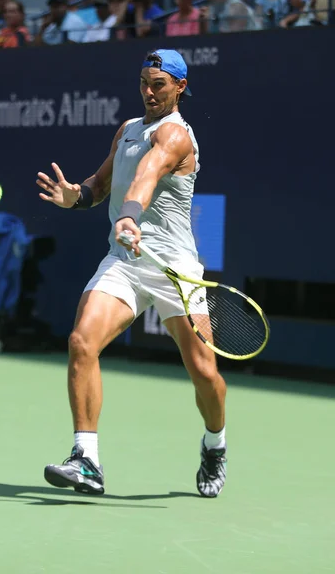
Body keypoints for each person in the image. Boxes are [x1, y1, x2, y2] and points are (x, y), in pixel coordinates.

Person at [36, 49, 228, 499]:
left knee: (204, 372)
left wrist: (128, 216)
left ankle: (215, 443)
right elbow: (102, 184)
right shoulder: (127, 130)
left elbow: (147, 175)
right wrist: (76, 196)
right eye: (144, 81)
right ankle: (87, 460)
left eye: (158, 84)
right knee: (82, 341)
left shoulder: (176, 135)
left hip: (176, 271)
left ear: (180, 87)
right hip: (125, 261)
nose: (148, 91)